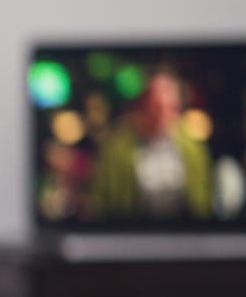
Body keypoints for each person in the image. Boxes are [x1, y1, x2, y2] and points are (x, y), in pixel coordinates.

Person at [91, 71, 212, 221]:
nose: (162, 114)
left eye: (170, 107)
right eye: (157, 106)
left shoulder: (193, 148)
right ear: (143, 106)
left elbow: (202, 201)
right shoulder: (117, 147)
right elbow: (100, 199)